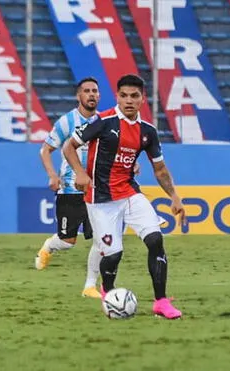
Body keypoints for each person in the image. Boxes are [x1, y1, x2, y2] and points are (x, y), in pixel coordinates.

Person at [63, 74, 187, 319]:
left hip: (130, 193)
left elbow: (159, 169)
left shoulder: (148, 132)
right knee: (113, 254)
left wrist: (175, 196)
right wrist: (80, 173)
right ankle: (109, 294)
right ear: (117, 96)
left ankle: (161, 302)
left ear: (143, 99)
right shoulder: (103, 122)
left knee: (155, 240)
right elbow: (69, 146)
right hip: (101, 199)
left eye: (134, 96)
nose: (128, 101)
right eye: (123, 96)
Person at [35, 77, 104, 299]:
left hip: (96, 189)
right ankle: (48, 246)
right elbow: (45, 150)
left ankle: (90, 285)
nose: (91, 94)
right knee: (68, 241)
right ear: (79, 96)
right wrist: (52, 175)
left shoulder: (104, 121)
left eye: (95, 91)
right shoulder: (66, 122)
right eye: (87, 91)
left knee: (102, 239)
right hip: (70, 189)